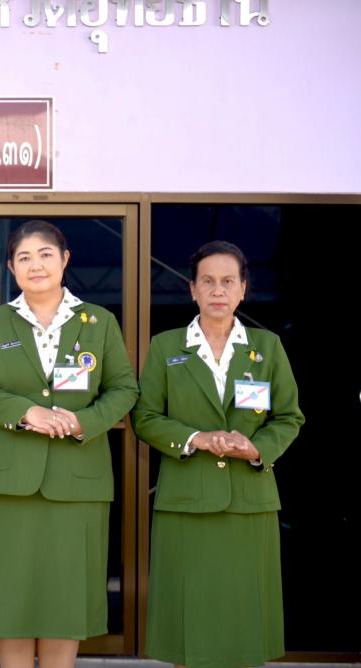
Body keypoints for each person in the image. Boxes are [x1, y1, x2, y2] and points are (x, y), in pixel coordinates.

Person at [0, 220, 138, 668]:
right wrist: (25, 412)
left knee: (65, 601)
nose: (35, 265)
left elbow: (124, 389)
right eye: (24, 257)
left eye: (45, 255)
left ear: (65, 259)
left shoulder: (99, 322)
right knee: (10, 602)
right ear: (11, 267)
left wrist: (82, 422)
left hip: (77, 482)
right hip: (6, 484)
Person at [132, 240, 304, 668]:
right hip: (185, 505)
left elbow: (289, 417)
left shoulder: (267, 347)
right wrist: (197, 438)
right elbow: (146, 417)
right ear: (192, 289)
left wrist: (257, 448)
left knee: (244, 621)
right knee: (188, 625)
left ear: (243, 289)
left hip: (249, 504)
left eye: (228, 281)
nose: (218, 290)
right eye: (207, 281)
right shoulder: (166, 346)